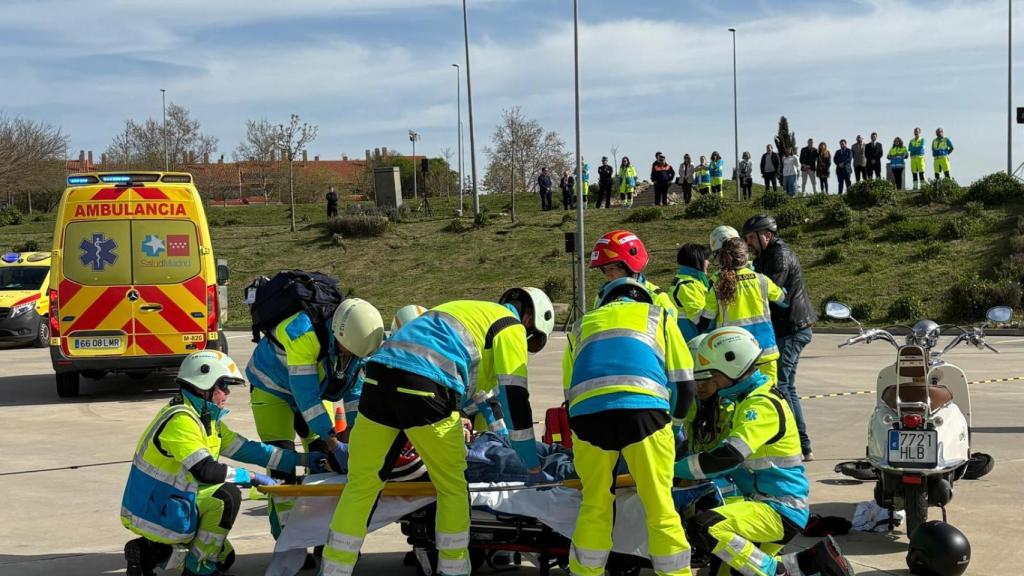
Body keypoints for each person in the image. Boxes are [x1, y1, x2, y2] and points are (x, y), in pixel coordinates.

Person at [321, 288, 556, 576]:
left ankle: (333, 569)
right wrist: (530, 462)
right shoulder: (510, 326)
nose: (526, 346)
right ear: (529, 318)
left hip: (378, 379)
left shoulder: (465, 308)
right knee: (452, 485)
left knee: (361, 485)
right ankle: (453, 569)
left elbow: (479, 392)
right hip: (423, 387)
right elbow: (514, 396)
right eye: (531, 341)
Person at [121, 351, 324, 576]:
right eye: (224, 386)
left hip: (172, 500)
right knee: (226, 496)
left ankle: (147, 551)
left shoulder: (205, 418)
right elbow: (206, 471)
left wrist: (302, 459)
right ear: (203, 385)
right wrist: (252, 477)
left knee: (225, 558)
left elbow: (249, 449)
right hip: (154, 507)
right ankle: (197, 570)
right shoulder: (182, 421)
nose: (227, 393)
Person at [677, 328, 855, 576]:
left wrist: (674, 469)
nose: (710, 383)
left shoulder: (760, 406)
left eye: (713, 376)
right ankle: (812, 563)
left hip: (778, 508)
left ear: (733, 369)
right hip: (763, 504)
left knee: (706, 527)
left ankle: (779, 572)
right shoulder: (746, 400)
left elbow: (729, 455)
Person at [563, 277, 696, 576]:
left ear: (605, 300)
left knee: (594, 505)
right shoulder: (658, 316)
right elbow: (685, 385)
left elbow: (567, 392)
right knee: (660, 508)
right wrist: (674, 427)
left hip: (587, 417)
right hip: (645, 414)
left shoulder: (580, 326)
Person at [245, 298, 385, 541]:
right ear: (339, 334)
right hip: (272, 389)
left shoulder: (361, 344)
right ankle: (288, 540)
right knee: (282, 463)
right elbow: (305, 396)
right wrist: (332, 440)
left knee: (325, 462)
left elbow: (355, 394)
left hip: (313, 390)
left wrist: (354, 434)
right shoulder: (302, 333)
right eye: (348, 350)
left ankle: (324, 536)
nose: (350, 356)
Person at [741, 215, 817, 461]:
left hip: (793, 328)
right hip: (788, 327)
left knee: (783, 385)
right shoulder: (767, 255)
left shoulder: (778, 256)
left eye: (752, 237)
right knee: (787, 386)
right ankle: (803, 444)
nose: (749, 242)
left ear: (767, 235)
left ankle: (799, 442)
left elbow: (774, 292)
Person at [698, 237, 786, 387]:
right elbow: (782, 298)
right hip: (764, 350)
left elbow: (706, 320)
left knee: (734, 399)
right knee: (768, 395)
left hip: (733, 356)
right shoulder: (761, 280)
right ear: (746, 256)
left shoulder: (718, 284)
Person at [590, 229, 677, 316]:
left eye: (612, 268)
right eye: (604, 270)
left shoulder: (658, 299)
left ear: (630, 267)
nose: (607, 275)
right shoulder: (603, 296)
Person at [672, 244, 711, 342]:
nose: (708, 262)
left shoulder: (694, 282)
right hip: (693, 344)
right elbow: (703, 321)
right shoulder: (687, 286)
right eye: (706, 259)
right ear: (697, 261)